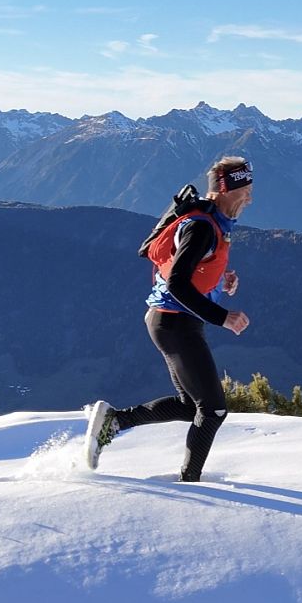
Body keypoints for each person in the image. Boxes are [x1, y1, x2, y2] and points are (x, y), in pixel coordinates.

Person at [84, 156, 253, 481]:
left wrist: (222, 280)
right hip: (174, 323)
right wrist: (223, 317)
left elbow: (191, 271)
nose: (249, 198)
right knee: (214, 410)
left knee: (193, 407)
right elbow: (176, 283)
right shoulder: (202, 227)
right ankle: (191, 484)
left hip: (173, 322)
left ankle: (115, 421)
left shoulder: (211, 220)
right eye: (243, 190)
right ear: (223, 190)